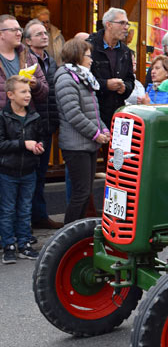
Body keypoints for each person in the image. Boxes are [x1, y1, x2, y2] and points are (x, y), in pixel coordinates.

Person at [55, 39, 110, 224]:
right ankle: (68, 232)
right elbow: (73, 114)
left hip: (89, 143)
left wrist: (103, 127)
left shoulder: (84, 76)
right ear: (78, 55)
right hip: (75, 144)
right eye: (88, 55)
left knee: (85, 192)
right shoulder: (65, 78)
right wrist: (96, 133)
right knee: (81, 192)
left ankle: (77, 232)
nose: (92, 59)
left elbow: (93, 111)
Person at [0, 75, 43, 263]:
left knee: (25, 209)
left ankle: (24, 244)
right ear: (10, 94)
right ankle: (8, 245)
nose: (28, 95)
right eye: (23, 91)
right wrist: (23, 144)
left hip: (28, 171)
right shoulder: (3, 117)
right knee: (8, 209)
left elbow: (39, 138)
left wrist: (38, 147)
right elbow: (1, 144)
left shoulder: (34, 116)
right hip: (7, 171)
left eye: (29, 92)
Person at [24, 19, 61, 231]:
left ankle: (38, 216)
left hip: (47, 125)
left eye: (45, 32)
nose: (44, 36)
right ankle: (28, 219)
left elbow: (53, 94)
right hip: (30, 125)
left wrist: (54, 121)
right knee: (29, 175)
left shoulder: (51, 61)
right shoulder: (26, 61)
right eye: (38, 34)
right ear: (28, 40)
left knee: (40, 175)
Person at [87, 8, 135, 128]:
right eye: (122, 23)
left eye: (127, 23)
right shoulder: (89, 46)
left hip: (117, 115)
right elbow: (82, 78)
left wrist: (125, 88)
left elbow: (130, 79)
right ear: (108, 25)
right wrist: (105, 85)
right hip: (93, 115)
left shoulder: (126, 51)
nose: (126, 27)